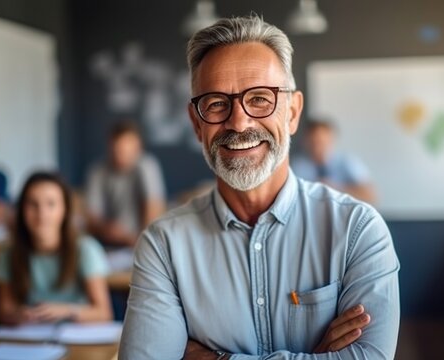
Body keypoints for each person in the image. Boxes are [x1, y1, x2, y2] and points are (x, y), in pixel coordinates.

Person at [119, 15, 399, 359]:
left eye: (261, 99)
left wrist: (216, 358)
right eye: (217, 103)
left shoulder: (358, 230)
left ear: (292, 113)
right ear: (196, 124)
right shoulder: (163, 246)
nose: (238, 122)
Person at [0, 171, 112, 325]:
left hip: (77, 336)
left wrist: (67, 311)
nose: (41, 214)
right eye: (32, 204)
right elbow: (4, 311)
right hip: (31, 336)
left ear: (65, 210)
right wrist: (19, 314)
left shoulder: (86, 249)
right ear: (21, 210)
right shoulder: (9, 253)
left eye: (51, 204)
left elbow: (104, 313)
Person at [85, 120, 166, 265]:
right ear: (109, 147)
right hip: (107, 246)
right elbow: (92, 219)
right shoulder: (98, 171)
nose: (121, 156)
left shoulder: (147, 166)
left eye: (127, 151)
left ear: (138, 148)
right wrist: (107, 228)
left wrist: (136, 240)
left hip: (144, 243)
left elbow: (154, 209)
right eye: (117, 151)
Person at [292, 119, 376, 204]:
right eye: (312, 142)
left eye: (321, 142)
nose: (316, 147)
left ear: (331, 140)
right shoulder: (297, 165)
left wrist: (335, 189)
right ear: (304, 141)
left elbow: (370, 196)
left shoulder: (347, 162)